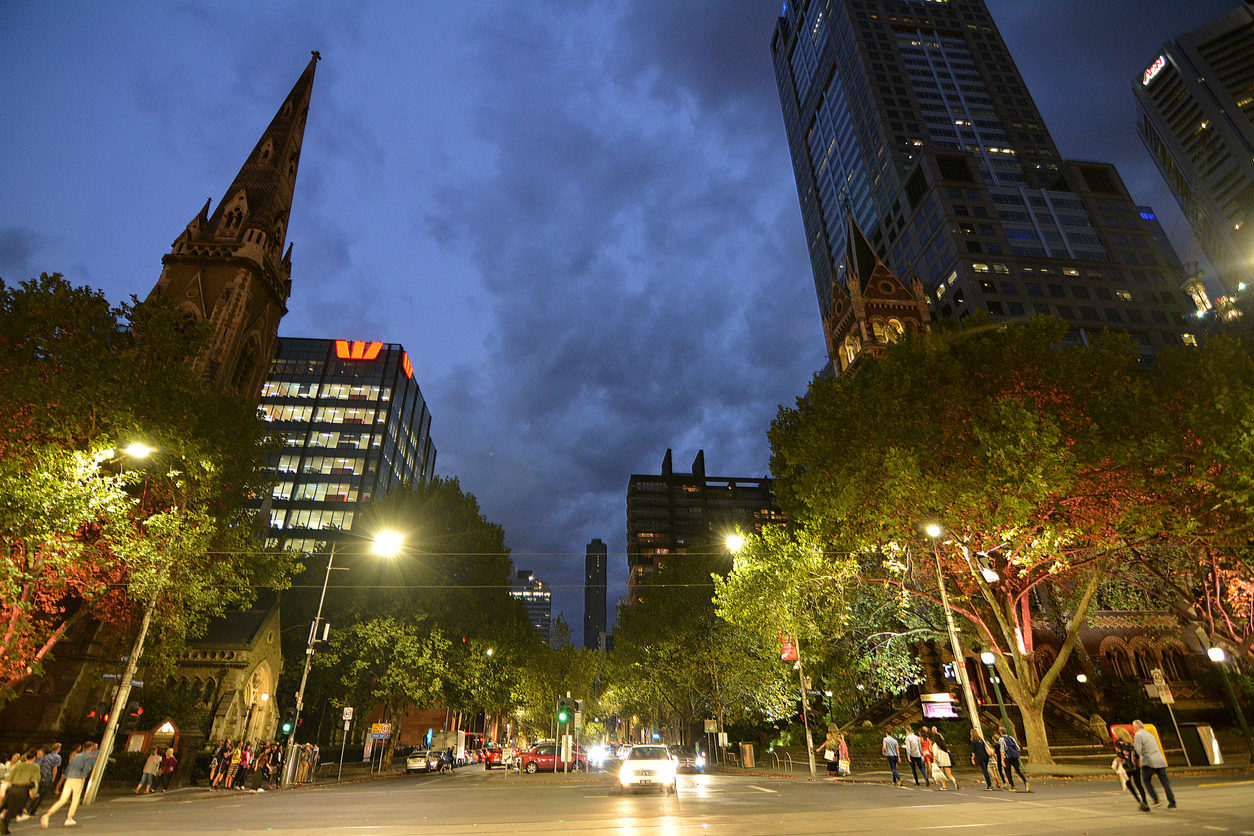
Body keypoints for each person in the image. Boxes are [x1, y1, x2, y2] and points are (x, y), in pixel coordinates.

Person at [40, 741, 97, 829]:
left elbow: (69, 766)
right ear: (90, 748)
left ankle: (47, 815)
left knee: (62, 800)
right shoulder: (88, 757)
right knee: (75, 799)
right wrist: (83, 777)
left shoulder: (76, 756)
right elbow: (86, 769)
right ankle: (69, 818)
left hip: (69, 778)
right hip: (78, 779)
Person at [1132, 720, 1176, 809]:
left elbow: (1138, 750)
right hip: (1159, 760)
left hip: (1149, 761)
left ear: (1136, 727)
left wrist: (1135, 757)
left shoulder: (1138, 735)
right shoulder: (1149, 734)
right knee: (1165, 782)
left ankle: (1155, 798)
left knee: (1146, 780)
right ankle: (1172, 802)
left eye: (1133, 727)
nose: (1133, 729)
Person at [0, 751, 40, 835]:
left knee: (10, 807)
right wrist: (33, 792)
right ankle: (3, 822)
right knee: (17, 809)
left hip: (13, 788)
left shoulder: (18, 765)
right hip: (23, 789)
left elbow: (9, 778)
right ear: (34, 758)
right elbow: (34, 781)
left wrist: (3, 790)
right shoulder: (35, 767)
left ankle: (4, 827)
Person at [1112, 727, 1149, 812]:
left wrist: (1116, 763)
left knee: (1128, 783)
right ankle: (1145, 801)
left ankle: (1139, 802)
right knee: (1138, 784)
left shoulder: (1119, 742)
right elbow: (1138, 754)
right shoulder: (1131, 742)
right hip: (1135, 765)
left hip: (1126, 766)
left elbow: (1120, 755)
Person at [25, 743, 60, 816]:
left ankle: (29, 808)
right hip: (47, 778)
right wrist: (53, 778)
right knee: (41, 796)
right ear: (58, 749)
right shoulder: (57, 757)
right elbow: (55, 768)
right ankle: (32, 810)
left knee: (37, 794)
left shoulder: (46, 757)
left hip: (40, 778)